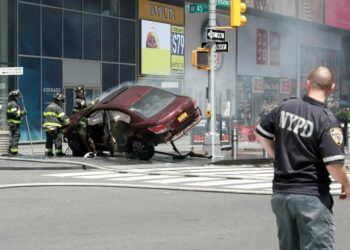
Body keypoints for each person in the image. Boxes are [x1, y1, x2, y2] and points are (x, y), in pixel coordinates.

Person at [255, 65, 350, 250]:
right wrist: (346, 183)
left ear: (307, 84)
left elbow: (261, 133)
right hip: (311, 195)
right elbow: (334, 166)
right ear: (332, 88)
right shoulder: (326, 120)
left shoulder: (285, 107)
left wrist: (277, 157)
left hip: (281, 195)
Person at [6, 89, 26, 155]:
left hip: (13, 124)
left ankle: (10, 150)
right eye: (17, 96)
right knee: (15, 137)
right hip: (14, 124)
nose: (18, 97)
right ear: (14, 97)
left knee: (13, 137)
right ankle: (14, 152)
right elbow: (14, 114)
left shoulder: (12, 103)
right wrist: (22, 113)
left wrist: (21, 113)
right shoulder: (13, 104)